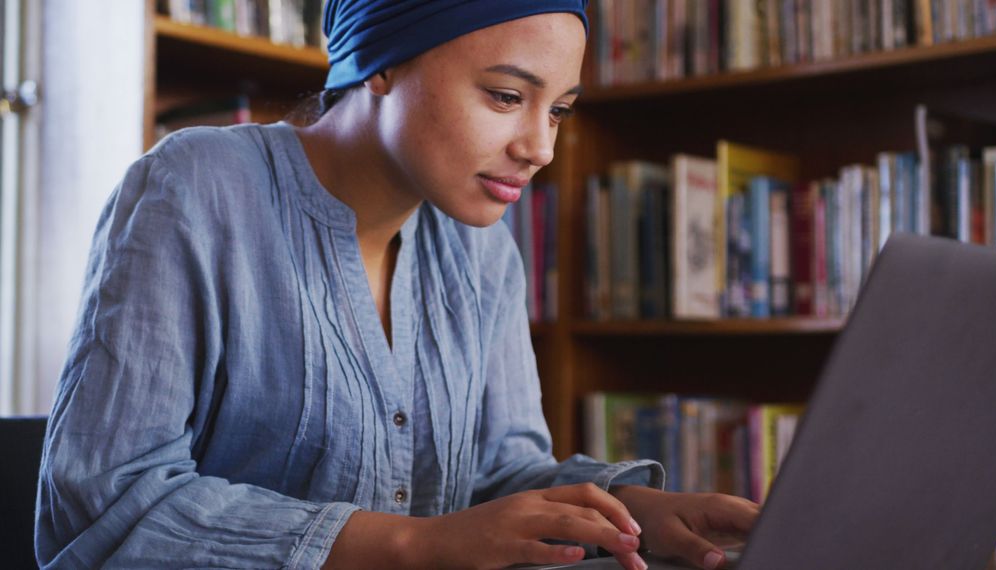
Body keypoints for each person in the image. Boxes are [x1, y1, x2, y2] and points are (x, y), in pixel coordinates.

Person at [35, 2, 759, 568]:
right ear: (377, 64)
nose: (541, 148)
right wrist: (417, 547)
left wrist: (628, 511)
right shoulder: (197, 189)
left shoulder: (483, 247)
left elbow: (499, 471)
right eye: (507, 96)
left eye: (560, 109)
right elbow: (103, 507)